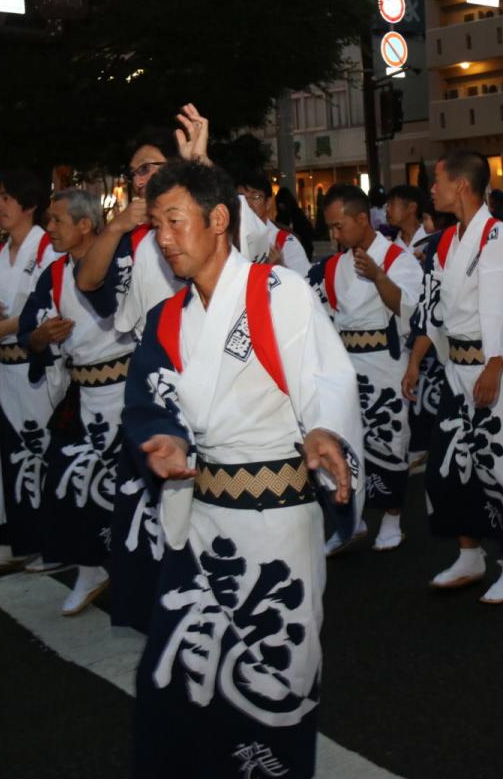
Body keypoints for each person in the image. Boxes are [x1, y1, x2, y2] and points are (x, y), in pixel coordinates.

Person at [122, 160, 361, 778]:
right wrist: (163, 439)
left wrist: (323, 429)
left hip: (278, 521)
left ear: (218, 220)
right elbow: (149, 402)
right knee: (172, 678)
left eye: (174, 221)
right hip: (202, 523)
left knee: (276, 679)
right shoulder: (166, 319)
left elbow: (325, 377)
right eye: (156, 225)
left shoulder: (278, 292)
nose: (163, 239)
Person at [73, 105, 271, 631]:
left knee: (216, 515)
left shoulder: (212, 226)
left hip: (218, 386)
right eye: (134, 172)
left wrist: (203, 166)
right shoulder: (137, 240)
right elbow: (88, 281)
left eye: (151, 167)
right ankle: (167, 623)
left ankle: (225, 619)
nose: (141, 179)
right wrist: (119, 224)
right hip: (159, 392)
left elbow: (255, 242)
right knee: (153, 517)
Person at [403, 150, 503, 604]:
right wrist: (416, 360)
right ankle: (469, 553)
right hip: (456, 369)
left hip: (495, 369)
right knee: (448, 469)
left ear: (461, 185)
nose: (432, 190)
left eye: (437, 181)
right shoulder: (445, 242)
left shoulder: (500, 238)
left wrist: (496, 364)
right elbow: (432, 310)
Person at [19, 189, 136, 614]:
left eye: (57, 220)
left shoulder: (127, 259)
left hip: (130, 391)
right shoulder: (52, 275)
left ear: (85, 225)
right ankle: (90, 571)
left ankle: (144, 574)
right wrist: (40, 336)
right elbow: (28, 332)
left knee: (138, 488)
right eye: (48, 220)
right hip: (83, 393)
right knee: (69, 480)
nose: (48, 228)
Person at [0, 169, 62, 574]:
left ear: (29, 205)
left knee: (38, 459)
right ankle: (7, 540)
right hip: (4, 373)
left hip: (37, 369)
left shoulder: (48, 249)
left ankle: (52, 544)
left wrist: (0, 328)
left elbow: (52, 307)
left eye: (6, 197)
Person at [312, 185, 423, 553]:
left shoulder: (397, 258)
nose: (335, 235)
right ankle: (351, 520)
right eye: (330, 228)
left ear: (362, 219)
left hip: (384, 362)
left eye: (339, 226)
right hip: (345, 365)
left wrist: (379, 277)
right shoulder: (334, 265)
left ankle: (392, 518)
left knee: (389, 439)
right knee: (344, 442)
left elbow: (408, 309)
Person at [407, 210, 458, 463]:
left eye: (427, 218)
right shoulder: (439, 243)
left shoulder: (492, 238)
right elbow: (430, 310)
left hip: (468, 353)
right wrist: (415, 361)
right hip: (440, 348)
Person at [235, 172, 311, 275]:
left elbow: (304, 282)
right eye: (241, 198)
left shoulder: (286, 243)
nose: (247, 204)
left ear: (268, 202)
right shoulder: (227, 240)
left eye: (255, 197)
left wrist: (280, 267)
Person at [385, 184, 428, 257]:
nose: (387, 209)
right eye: (387, 205)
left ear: (412, 207)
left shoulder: (429, 238)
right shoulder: (392, 246)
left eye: (392, 204)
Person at [273, 186, 315, 261]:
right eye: (279, 203)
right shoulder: (281, 216)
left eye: (282, 203)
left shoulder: (296, 214)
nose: (280, 205)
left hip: (302, 247)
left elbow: (306, 232)